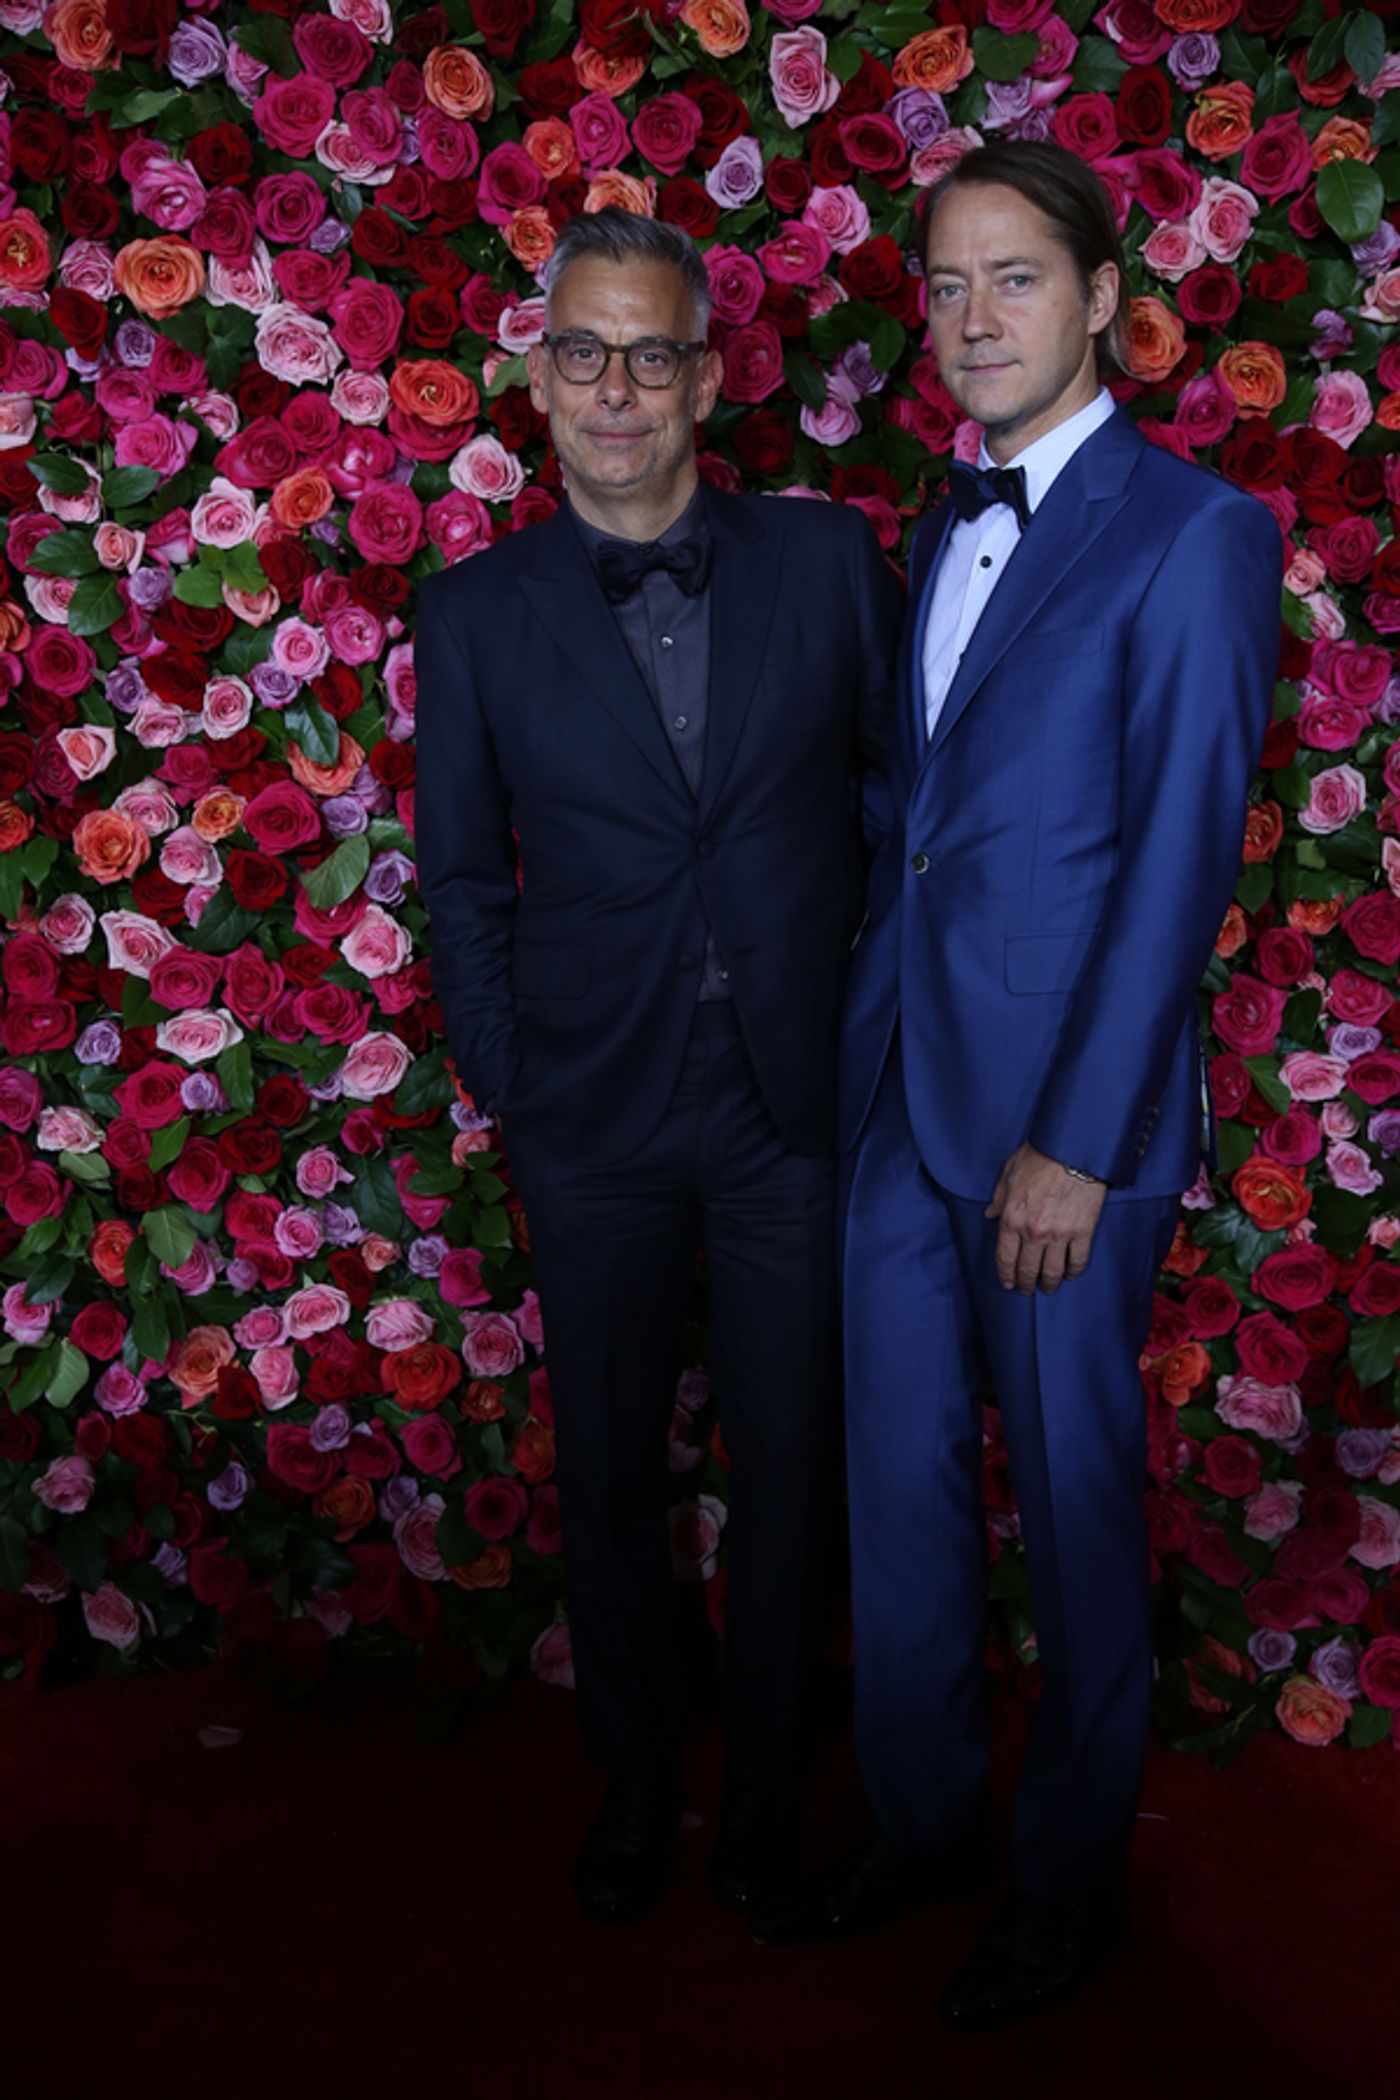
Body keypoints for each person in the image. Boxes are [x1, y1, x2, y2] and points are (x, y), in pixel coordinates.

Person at [761, 142, 1281, 2021]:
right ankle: (921, 1820)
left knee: (1069, 1497)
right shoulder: (932, 519)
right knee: (893, 1479)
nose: (977, 319)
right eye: (950, 284)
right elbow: (922, 817)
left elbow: (1181, 857)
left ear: (1097, 296)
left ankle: (1064, 1876)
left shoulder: (1195, 530)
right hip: (903, 1091)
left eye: (1018, 280)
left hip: (1069, 1120)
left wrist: (1084, 1136)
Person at [414, 207, 901, 1928]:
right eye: (582, 352)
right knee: (609, 1460)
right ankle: (636, 1774)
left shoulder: (827, 561)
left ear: (707, 376)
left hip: (789, 1104)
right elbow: (463, 879)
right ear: (539, 378)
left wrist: (880, 1032)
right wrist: (512, 1074)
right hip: (591, 1113)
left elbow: (904, 810)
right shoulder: (471, 615)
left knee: (789, 1459)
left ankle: (765, 1790)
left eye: (651, 353)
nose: (616, 388)